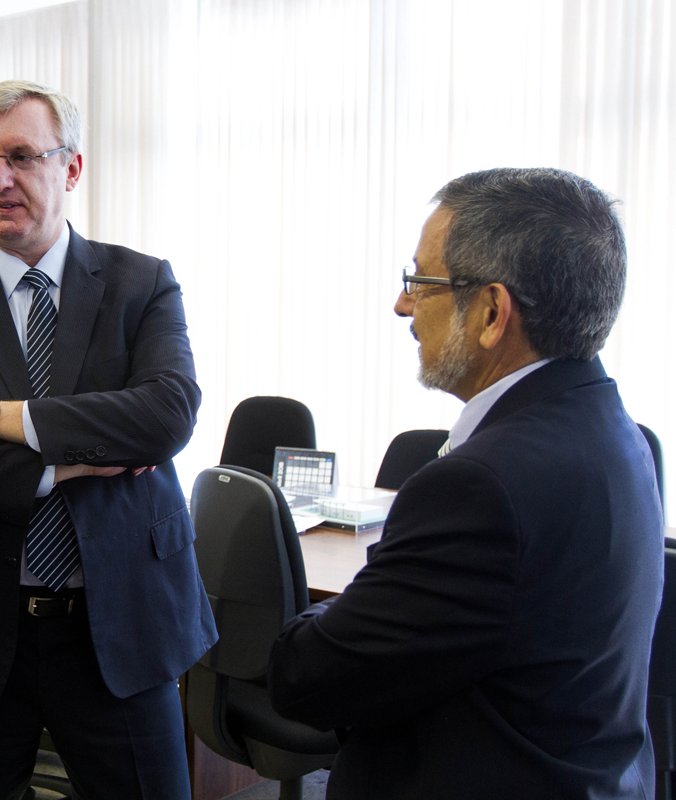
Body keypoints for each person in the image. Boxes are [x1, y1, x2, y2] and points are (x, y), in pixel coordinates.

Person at [269, 167, 663, 798]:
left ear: (490, 311)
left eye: (418, 282)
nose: (401, 304)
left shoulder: (481, 485)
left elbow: (308, 676)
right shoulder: (616, 432)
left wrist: (334, 610)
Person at [0, 79, 217, 799]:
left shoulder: (141, 284)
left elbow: (167, 415)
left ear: (72, 168)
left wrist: (2, 417)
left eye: (22, 156)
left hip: (119, 629)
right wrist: (61, 469)